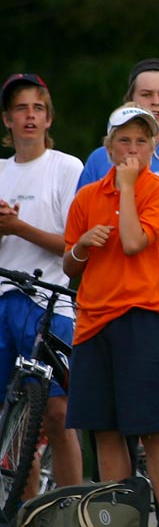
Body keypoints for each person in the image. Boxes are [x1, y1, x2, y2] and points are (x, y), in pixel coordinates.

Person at [77, 59, 159, 527]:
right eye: (145, 94)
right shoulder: (97, 166)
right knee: (107, 425)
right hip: (98, 313)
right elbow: (80, 237)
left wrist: (135, 192)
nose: (155, 103)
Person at [63, 106, 159, 527]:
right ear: (108, 146)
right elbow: (68, 265)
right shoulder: (87, 196)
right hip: (93, 321)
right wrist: (79, 245)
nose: (133, 149)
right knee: (105, 429)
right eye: (124, 141)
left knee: (152, 428)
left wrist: (128, 189)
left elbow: (133, 243)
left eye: (141, 141)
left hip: (142, 318)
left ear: (154, 147)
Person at [0, 73, 84, 492]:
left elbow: (74, 245)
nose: (29, 116)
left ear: (49, 118)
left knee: (55, 411)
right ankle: (20, 516)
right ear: (7, 120)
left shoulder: (67, 167)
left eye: (38, 107)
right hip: (3, 300)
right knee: (10, 415)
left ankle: (68, 510)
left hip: (49, 302)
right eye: (20, 108)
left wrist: (16, 226)